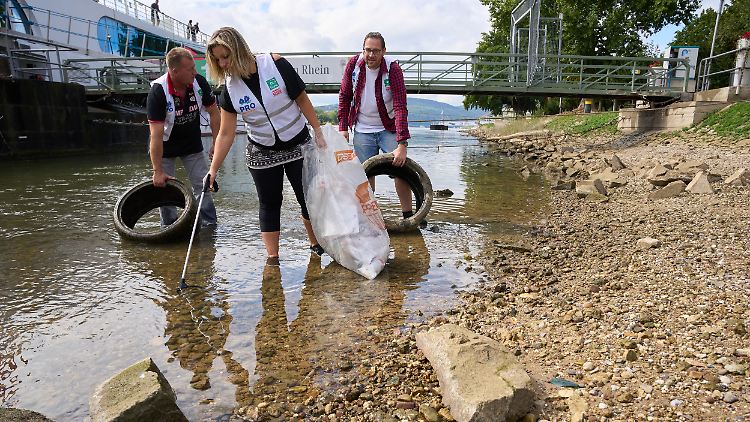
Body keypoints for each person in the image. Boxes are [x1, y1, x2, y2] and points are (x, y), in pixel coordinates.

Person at [205, 27, 326, 263]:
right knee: (270, 203)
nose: (222, 64)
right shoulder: (229, 88)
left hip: (297, 143)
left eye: (225, 57)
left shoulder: (276, 64)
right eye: (218, 60)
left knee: (307, 198)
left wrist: (318, 131)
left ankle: (315, 244)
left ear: (239, 50)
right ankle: (272, 258)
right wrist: (213, 169)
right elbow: (226, 133)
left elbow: (302, 99)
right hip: (262, 150)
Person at [338, 32, 418, 224]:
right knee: (365, 175)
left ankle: (409, 216)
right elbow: (344, 96)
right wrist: (343, 127)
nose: (371, 55)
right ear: (362, 50)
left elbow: (400, 105)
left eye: (375, 51)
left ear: (383, 51)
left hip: (388, 127)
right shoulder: (353, 65)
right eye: (367, 50)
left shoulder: (393, 68)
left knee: (401, 171)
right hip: (363, 129)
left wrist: (402, 143)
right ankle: (370, 219)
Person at [147, 47, 220, 227]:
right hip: (165, 145)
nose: (195, 73)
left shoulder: (199, 83)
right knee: (165, 189)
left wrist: (215, 142)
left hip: (191, 143)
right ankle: (169, 228)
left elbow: (214, 112)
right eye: (190, 69)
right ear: (175, 71)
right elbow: (155, 135)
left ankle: (209, 225)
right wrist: (157, 171)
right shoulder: (158, 92)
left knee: (203, 185)